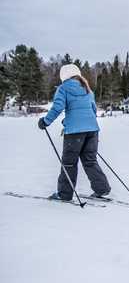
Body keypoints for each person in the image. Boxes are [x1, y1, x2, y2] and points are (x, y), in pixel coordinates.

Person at [37, 64, 111, 200]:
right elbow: (93, 110)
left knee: (69, 163)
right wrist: (75, 120)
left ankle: (64, 194)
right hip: (92, 130)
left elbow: (57, 107)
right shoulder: (87, 88)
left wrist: (45, 121)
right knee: (90, 161)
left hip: (75, 133)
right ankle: (102, 189)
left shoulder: (63, 88)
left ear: (63, 75)